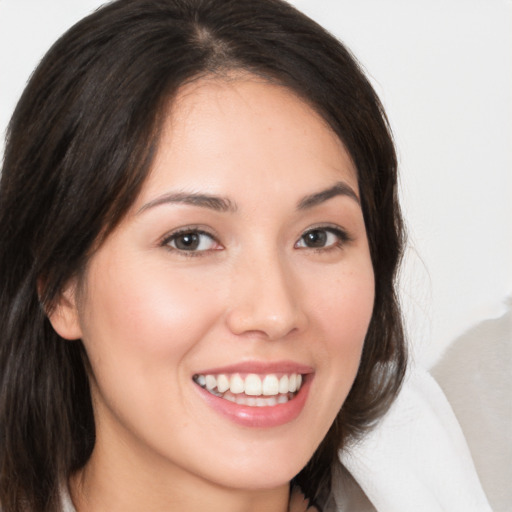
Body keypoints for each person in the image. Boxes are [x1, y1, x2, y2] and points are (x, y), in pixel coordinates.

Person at [0, 0, 412, 510]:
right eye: (190, 239)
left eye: (319, 236)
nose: (276, 313)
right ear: (61, 289)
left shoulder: (448, 471)